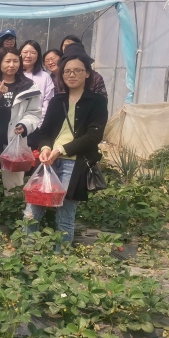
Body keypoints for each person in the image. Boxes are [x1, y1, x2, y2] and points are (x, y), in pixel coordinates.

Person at [25, 50, 108, 244]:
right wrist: (45, 148)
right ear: (61, 75)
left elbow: (94, 136)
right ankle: (27, 251)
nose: (72, 75)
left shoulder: (97, 102)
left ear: (87, 73)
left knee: (65, 216)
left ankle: (60, 257)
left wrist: (61, 150)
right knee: (31, 211)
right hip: (49, 162)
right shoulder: (57, 101)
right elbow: (45, 132)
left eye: (78, 70)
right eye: (67, 71)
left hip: (74, 163)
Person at [0, 48, 42, 190]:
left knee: (14, 188)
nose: (12, 65)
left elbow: (34, 113)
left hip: (14, 144)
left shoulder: (29, 87)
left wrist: (24, 125)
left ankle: (12, 205)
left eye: (15, 61)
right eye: (7, 61)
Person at [20, 40, 55, 122]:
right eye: (25, 52)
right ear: (19, 54)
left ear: (38, 56)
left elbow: (48, 103)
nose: (28, 56)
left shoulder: (45, 77)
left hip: (37, 123)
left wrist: (38, 123)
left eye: (33, 53)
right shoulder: (12, 74)